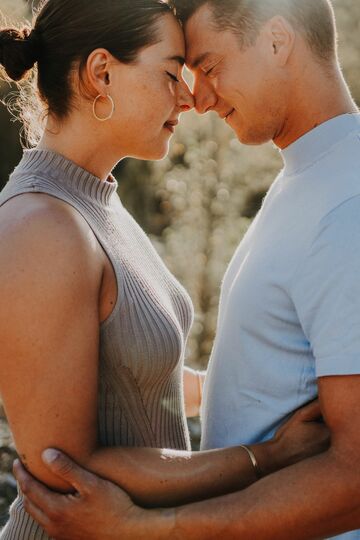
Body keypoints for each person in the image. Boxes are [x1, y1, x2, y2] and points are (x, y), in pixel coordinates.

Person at [12, 0, 360, 539]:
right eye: (174, 73)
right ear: (102, 73)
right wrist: (263, 457)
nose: (192, 96)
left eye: (204, 68)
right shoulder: (44, 223)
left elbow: (129, 369)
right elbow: (65, 469)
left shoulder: (99, 202)